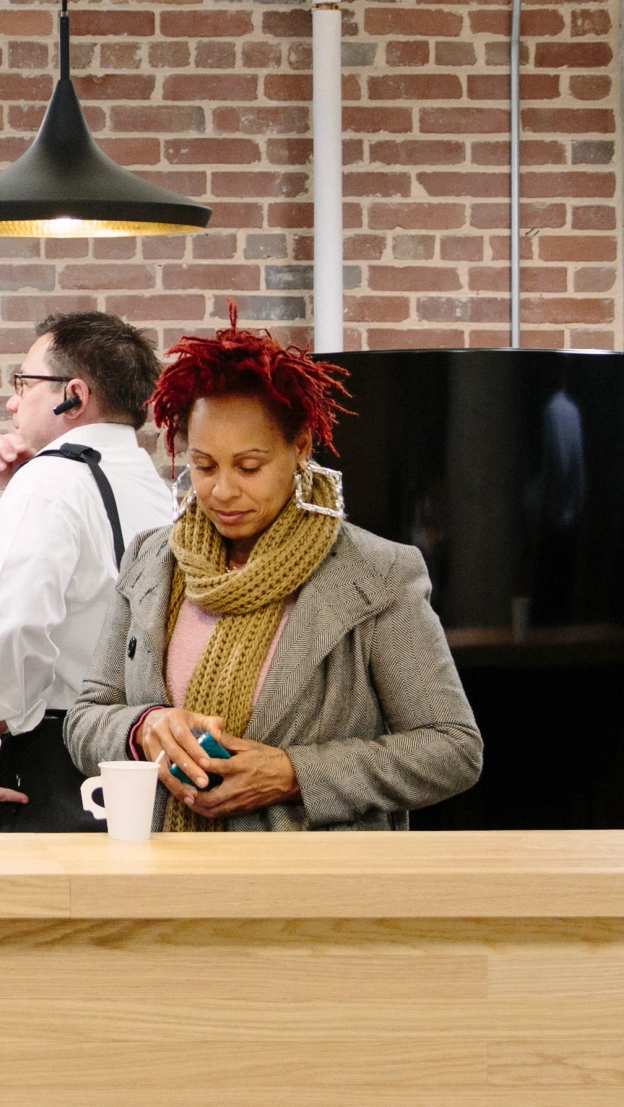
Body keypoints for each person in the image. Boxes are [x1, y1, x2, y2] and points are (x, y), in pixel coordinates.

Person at [64, 315, 483, 831]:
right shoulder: (152, 561)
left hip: (313, 898)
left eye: (249, 466)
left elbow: (453, 748)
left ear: (300, 447)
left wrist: (293, 773)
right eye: (204, 465)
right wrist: (144, 727)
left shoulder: (376, 574)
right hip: (169, 888)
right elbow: (86, 718)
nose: (221, 491)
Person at [0, 311, 178, 831]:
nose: (11, 401)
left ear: (74, 396)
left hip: (59, 758)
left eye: (24, 383)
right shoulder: (154, 486)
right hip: (144, 751)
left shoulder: (50, 481)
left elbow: (11, 624)